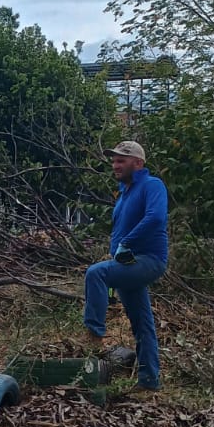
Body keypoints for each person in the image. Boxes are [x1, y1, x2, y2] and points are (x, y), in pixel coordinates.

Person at [82, 141, 168, 392]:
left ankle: (93, 338)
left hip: (149, 260)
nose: (115, 165)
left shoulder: (152, 185)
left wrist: (127, 243)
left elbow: (156, 218)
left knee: (96, 272)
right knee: (142, 324)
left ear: (138, 163)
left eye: (121, 160)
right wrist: (109, 291)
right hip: (128, 264)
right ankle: (149, 382)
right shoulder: (124, 194)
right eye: (114, 160)